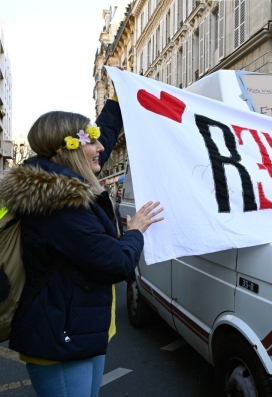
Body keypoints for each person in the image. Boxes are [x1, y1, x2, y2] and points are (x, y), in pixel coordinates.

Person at [0, 98, 164, 397]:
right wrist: (136, 230)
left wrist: (118, 100)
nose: (101, 147)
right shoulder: (62, 204)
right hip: (59, 337)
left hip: (74, 329)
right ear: (68, 150)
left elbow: (104, 137)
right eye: (92, 142)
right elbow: (117, 263)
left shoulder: (60, 183)